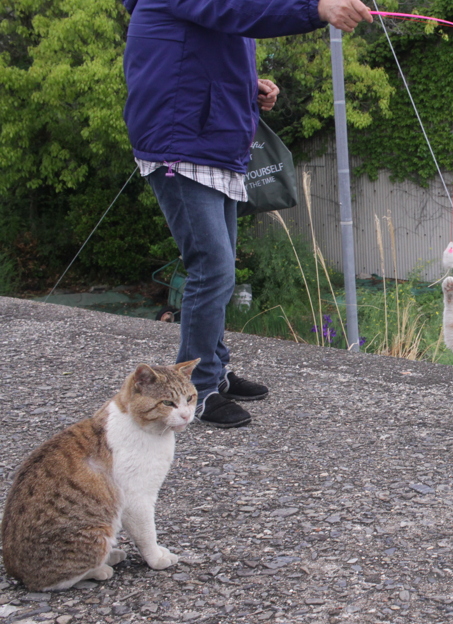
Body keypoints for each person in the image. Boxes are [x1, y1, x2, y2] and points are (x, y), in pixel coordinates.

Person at [122, 0, 373, 428]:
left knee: (220, 270)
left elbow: (206, 48)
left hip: (211, 145)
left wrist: (249, 87)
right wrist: (316, 8)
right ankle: (193, 390)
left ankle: (213, 373)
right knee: (212, 268)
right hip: (180, 148)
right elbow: (237, 10)